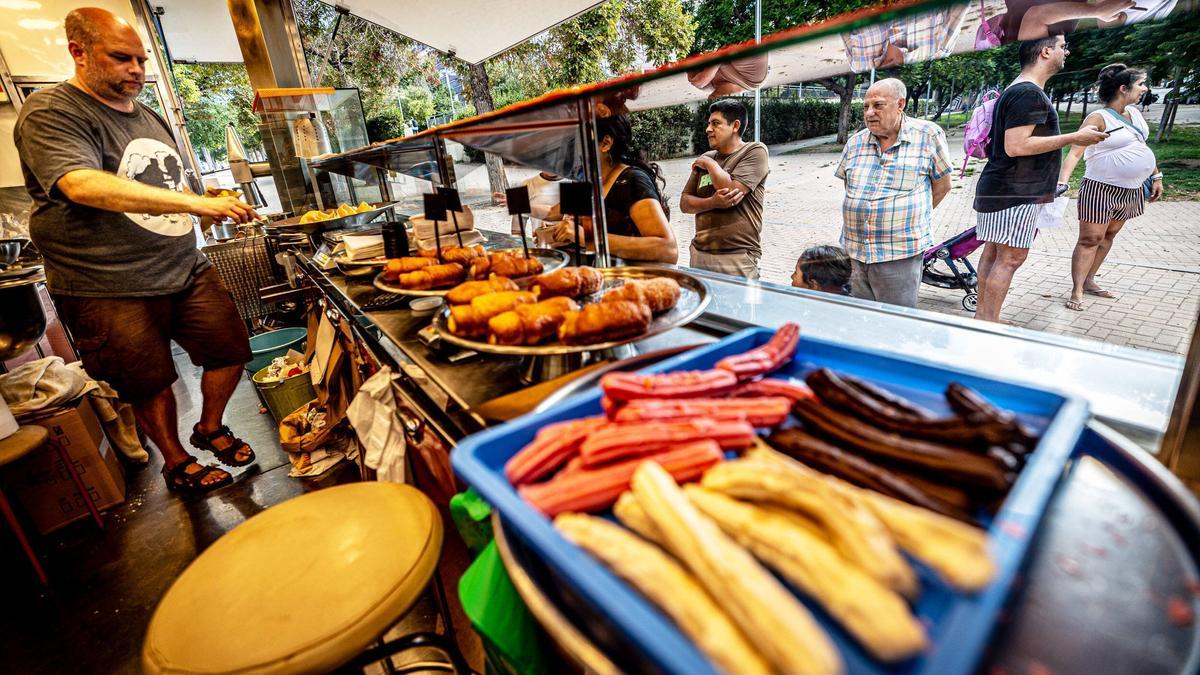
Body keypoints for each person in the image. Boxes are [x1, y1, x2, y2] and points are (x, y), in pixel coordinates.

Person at [13, 8, 261, 494]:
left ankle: (210, 426)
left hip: (183, 265)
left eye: (142, 60)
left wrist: (203, 204)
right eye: (121, 58)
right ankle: (175, 460)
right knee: (147, 380)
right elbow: (80, 184)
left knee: (230, 347)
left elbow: (169, 182)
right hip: (105, 281)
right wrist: (190, 201)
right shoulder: (53, 111)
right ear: (78, 52)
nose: (136, 70)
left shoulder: (147, 115)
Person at [971, 35, 1107, 323]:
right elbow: (1016, 145)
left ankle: (984, 318)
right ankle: (987, 323)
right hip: (1015, 191)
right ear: (1046, 51)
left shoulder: (1017, 89)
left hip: (1001, 188)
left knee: (995, 254)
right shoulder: (1029, 93)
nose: (1066, 52)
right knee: (1009, 258)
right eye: (1062, 46)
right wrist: (1076, 137)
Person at [834, 78, 952, 308]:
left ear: (900, 104)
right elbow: (849, 186)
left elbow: (943, 185)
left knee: (896, 321)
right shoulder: (855, 142)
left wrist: (908, 217)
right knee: (860, 317)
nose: (869, 113)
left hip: (899, 252)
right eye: (866, 107)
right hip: (855, 251)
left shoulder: (928, 135)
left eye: (878, 105)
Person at [1058, 64, 1162, 312]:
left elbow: (1141, 147)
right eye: (1140, 85)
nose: (1144, 89)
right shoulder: (1097, 118)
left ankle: (1090, 279)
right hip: (1100, 189)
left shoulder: (1134, 114)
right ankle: (1077, 289)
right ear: (1123, 88)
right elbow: (1074, 153)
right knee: (1089, 239)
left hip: (1131, 189)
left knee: (1108, 237)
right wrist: (1062, 182)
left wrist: (1157, 175)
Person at [553, 115, 677, 263]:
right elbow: (557, 216)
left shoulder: (632, 180)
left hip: (631, 279)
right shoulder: (581, 179)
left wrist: (588, 237)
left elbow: (668, 249)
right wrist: (557, 233)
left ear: (605, 143)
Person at [680, 99, 769, 279]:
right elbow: (685, 203)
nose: (708, 129)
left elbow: (730, 193)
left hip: (737, 257)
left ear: (735, 126)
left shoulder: (755, 151)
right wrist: (712, 202)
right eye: (708, 123)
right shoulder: (707, 156)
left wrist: (710, 165)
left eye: (716, 123)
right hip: (699, 253)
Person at [493, 171, 562, 242]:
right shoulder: (524, 184)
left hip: (569, 247)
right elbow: (517, 230)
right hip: (540, 246)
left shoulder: (572, 183)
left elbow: (554, 213)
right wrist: (519, 246)